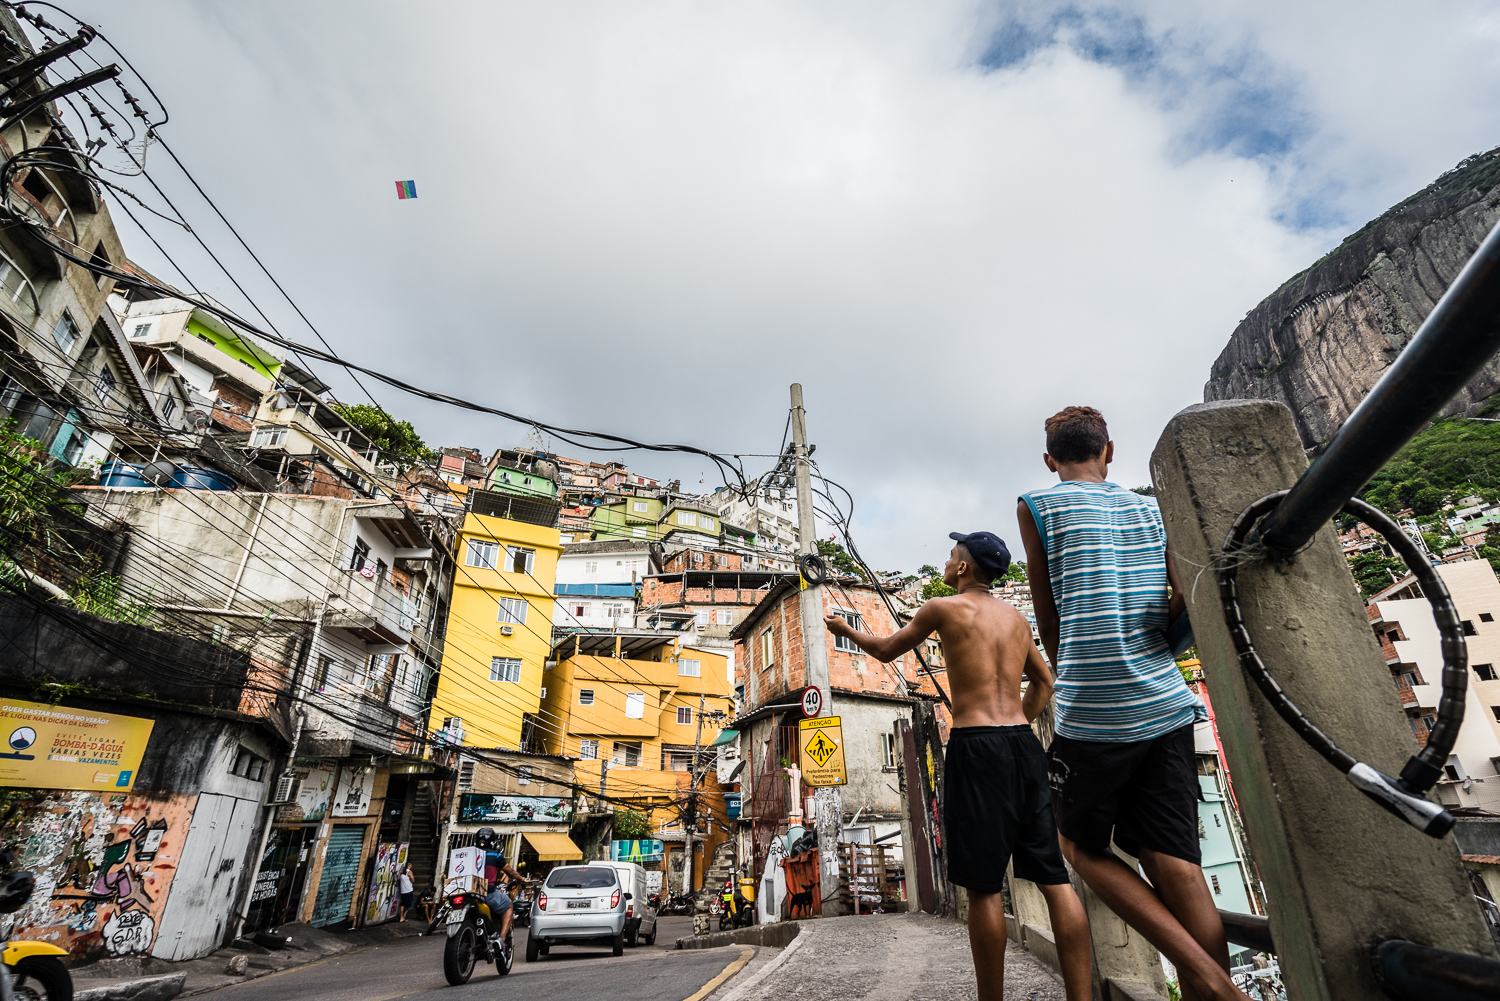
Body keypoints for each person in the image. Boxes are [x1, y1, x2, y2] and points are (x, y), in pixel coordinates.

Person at [1017, 406, 1249, 1001]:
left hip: (1092, 707)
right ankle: (1214, 989)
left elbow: (1047, 615)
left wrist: (1076, 661)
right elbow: (1182, 594)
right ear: (1109, 451)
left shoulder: (1037, 506)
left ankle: (1208, 978)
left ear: (1049, 461)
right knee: (1174, 859)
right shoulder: (1152, 509)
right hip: (1165, 701)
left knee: (1078, 845)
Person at [824, 532, 1091, 1001]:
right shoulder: (1015, 618)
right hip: (1023, 746)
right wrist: (1014, 726)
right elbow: (1045, 682)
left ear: (965, 568)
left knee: (983, 885)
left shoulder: (940, 608)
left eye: (952, 556)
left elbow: (887, 650)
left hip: (975, 746)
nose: (946, 562)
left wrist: (846, 632)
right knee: (1054, 878)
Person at [476, 827, 524, 956]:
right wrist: (520, 878)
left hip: (467, 893)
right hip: (487, 893)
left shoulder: (468, 853)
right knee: (508, 904)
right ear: (492, 842)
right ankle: (501, 940)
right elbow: (511, 872)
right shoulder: (495, 855)